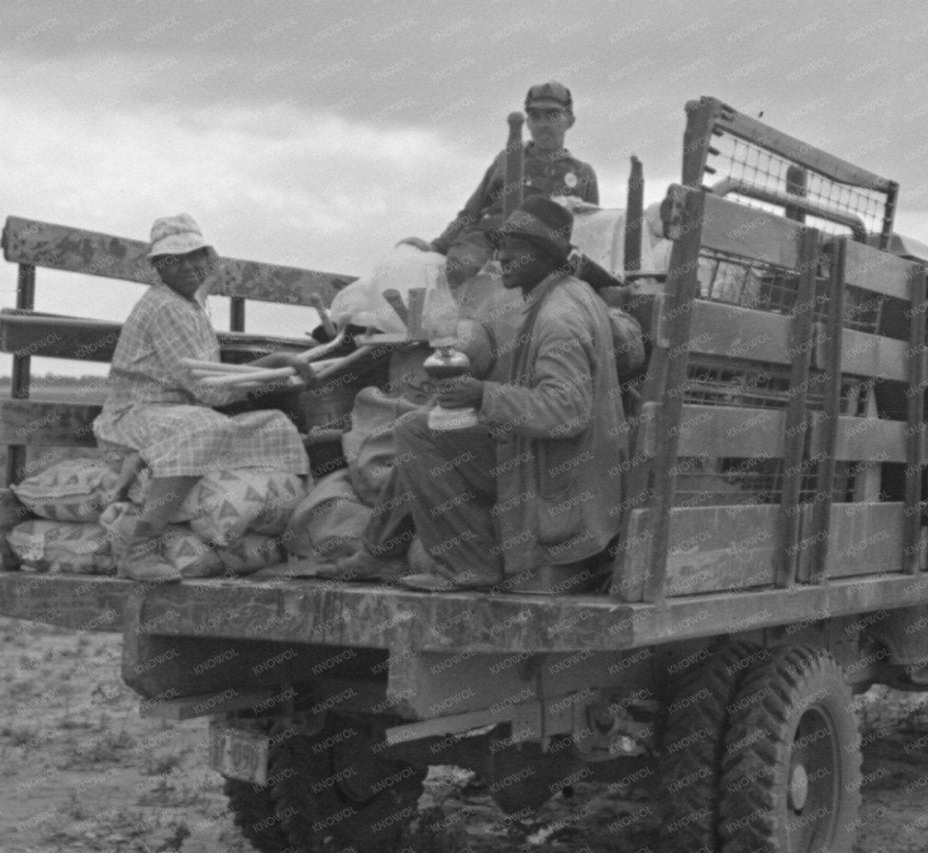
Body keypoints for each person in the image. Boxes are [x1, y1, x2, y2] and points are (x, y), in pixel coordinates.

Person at [360, 195, 628, 593]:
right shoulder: (552, 297)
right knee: (427, 423)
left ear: (542, 254)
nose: (499, 257)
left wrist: (481, 395)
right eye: (499, 246)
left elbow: (566, 411)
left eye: (511, 248)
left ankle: (471, 564)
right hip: (551, 463)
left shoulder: (560, 316)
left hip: (560, 483)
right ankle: (378, 552)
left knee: (418, 431)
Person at [92, 214, 315, 583]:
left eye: (196, 256)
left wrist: (277, 363)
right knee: (206, 427)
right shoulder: (166, 307)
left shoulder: (191, 304)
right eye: (173, 260)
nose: (188, 266)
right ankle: (141, 548)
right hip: (135, 416)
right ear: (158, 267)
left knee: (275, 425)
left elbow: (208, 379)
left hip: (177, 417)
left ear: (208, 256)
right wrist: (274, 367)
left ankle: (292, 535)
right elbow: (211, 391)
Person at [409, 82, 601, 259]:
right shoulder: (508, 159)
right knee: (460, 266)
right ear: (527, 122)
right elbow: (471, 212)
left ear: (570, 121)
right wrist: (437, 247)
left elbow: (593, 233)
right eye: (535, 116)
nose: (543, 124)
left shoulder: (582, 173)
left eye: (553, 115)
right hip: (487, 245)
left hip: (544, 257)